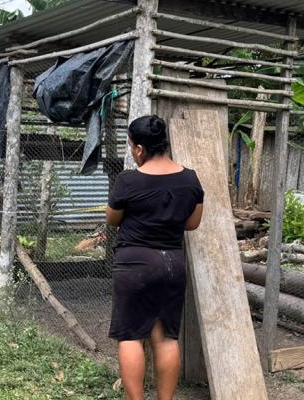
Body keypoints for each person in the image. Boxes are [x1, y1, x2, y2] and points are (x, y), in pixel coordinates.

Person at [106, 115, 204, 400]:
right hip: (172, 264)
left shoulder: (128, 180)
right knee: (166, 338)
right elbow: (192, 223)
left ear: (138, 149)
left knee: (131, 336)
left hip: (134, 265)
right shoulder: (190, 179)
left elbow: (112, 220)